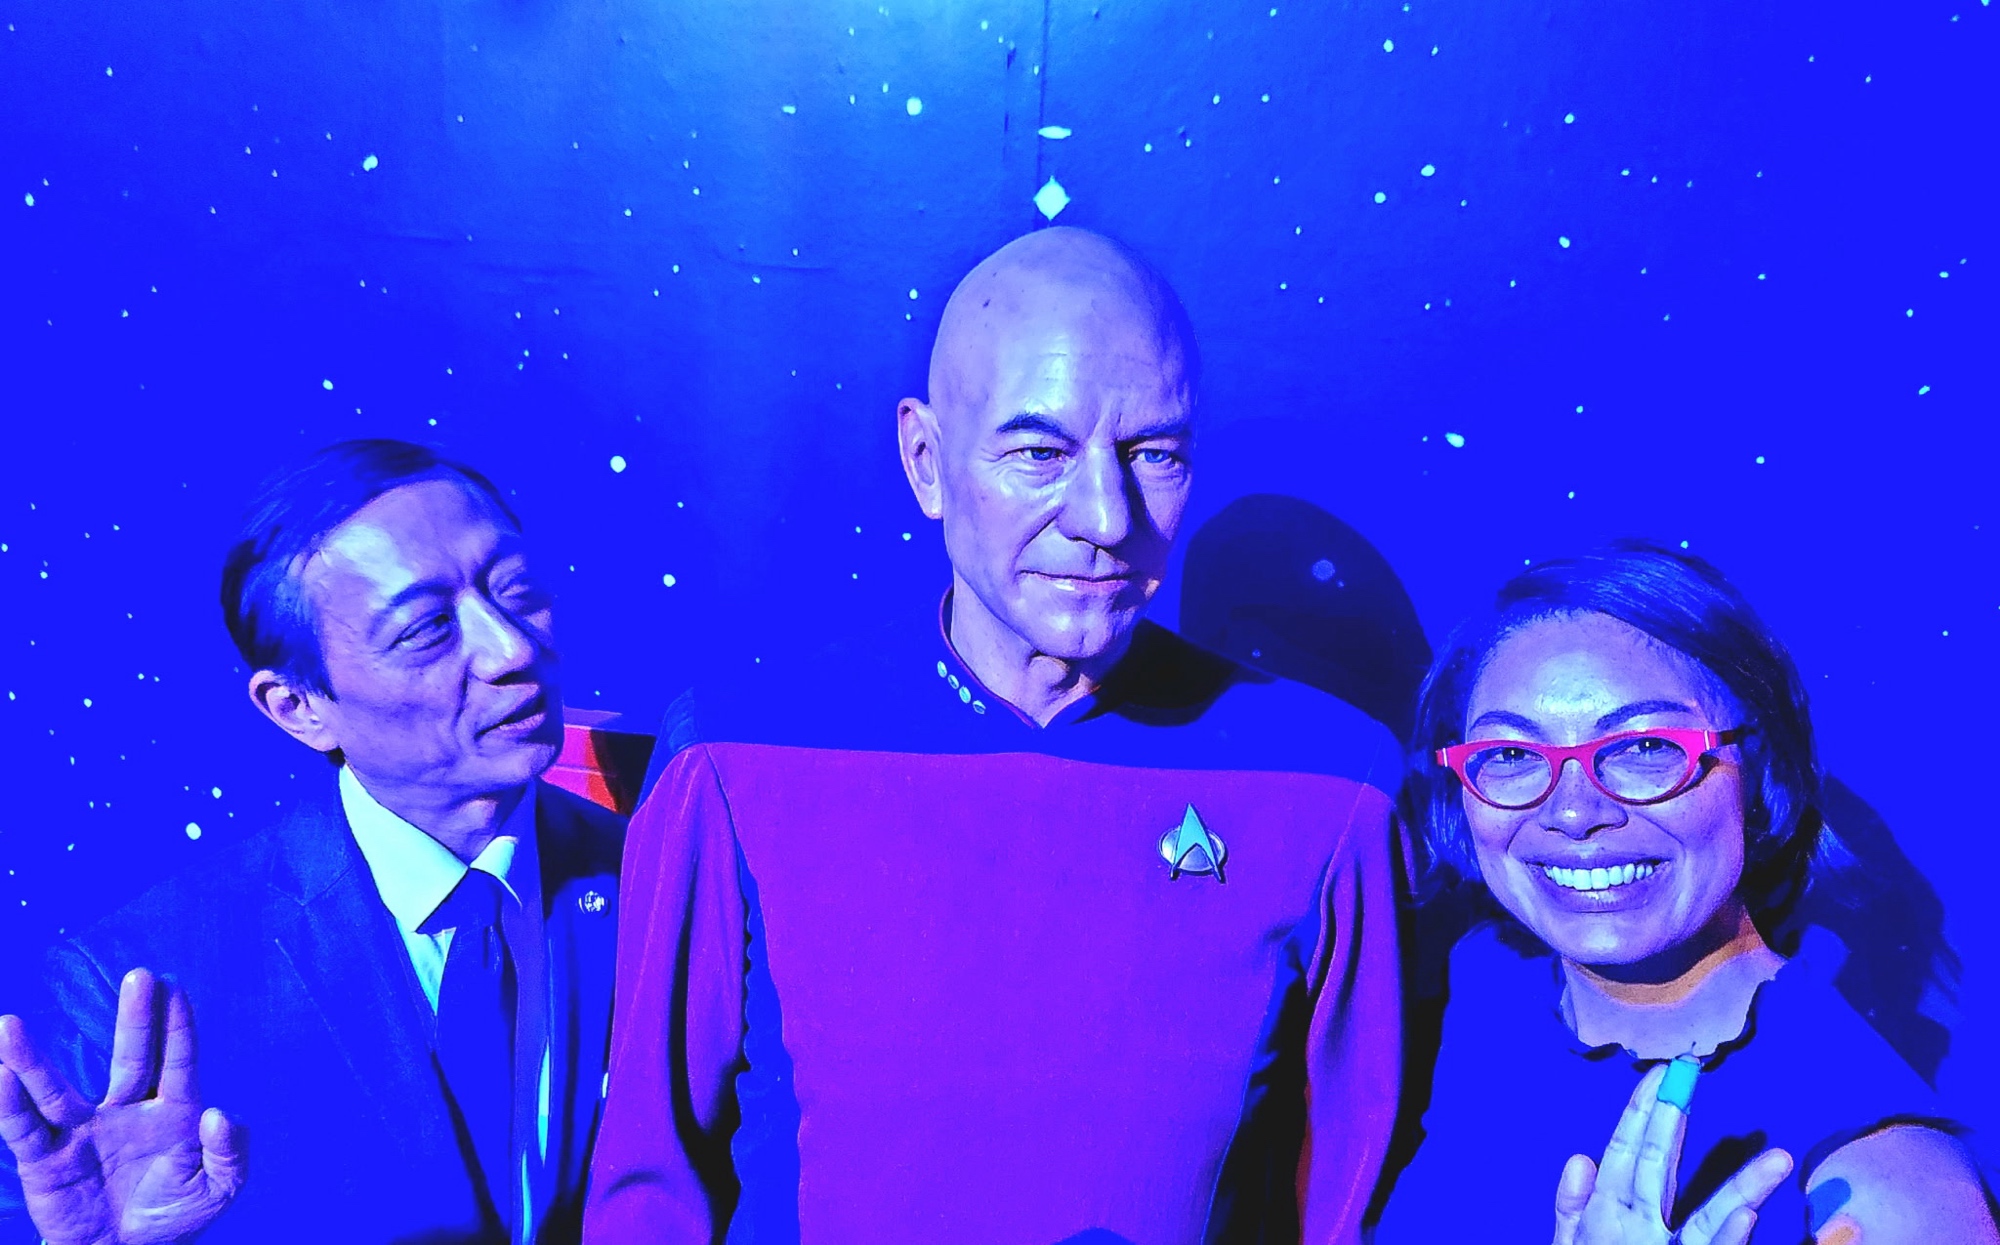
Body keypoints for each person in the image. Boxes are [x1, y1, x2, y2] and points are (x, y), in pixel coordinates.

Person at [583, 227, 1403, 1243]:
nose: (1105, 516)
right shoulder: (734, 753)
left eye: (1153, 453)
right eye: (1039, 453)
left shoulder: (1330, 782)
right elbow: (651, 1185)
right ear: (925, 461)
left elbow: (1355, 1199)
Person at [0, 440, 626, 1245]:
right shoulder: (139, 983)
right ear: (299, 708)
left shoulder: (666, 879)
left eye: (517, 589)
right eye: (428, 628)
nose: (512, 650)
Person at [1373, 542, 1997, 1244]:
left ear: (1760, 770)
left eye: (1646, 747)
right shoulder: (1479, 990)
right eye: (1512, 754)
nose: (1573, 811)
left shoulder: (1888, 1196)